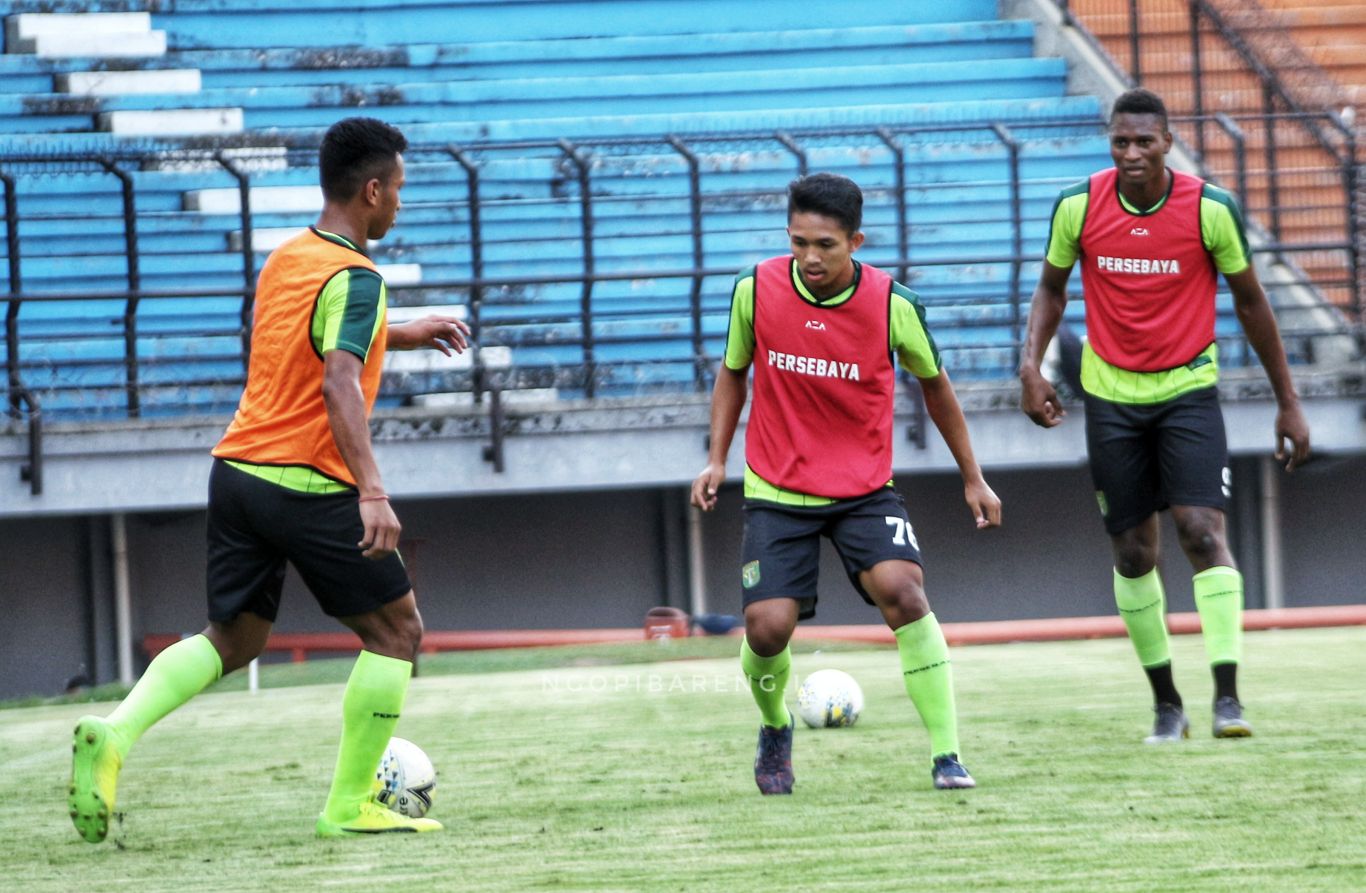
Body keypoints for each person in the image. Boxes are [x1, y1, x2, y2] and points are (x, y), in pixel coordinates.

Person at [68, 116, 471, 842]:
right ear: (372, 190)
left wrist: (405, 330)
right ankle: (348, 806)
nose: (400, 205)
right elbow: (338, 383)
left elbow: (307, 339)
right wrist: (372, 490)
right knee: (397, 631)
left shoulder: (288, 256)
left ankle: (116, 731)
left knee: (234, 637)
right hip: (305, 481)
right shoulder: (359, 276)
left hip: (237, 474)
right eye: (399, 190)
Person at [691, 172, 1002, 795]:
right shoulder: (755, 289)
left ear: (855, 240)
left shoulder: (893, 305)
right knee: (767, 629)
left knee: (904, 592)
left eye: (825, 245)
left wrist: (974, 478)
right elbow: (732, 374)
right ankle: (776, 727)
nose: (810, 257)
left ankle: (948, 755)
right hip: (777, 489)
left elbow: (937, 388)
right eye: (799, 241)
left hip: (863, 489)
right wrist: (716, 459)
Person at [1018, 89, 1311, 743]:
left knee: (1202, 532)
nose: (1131, 153)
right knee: (1132, 553)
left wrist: (1288, 401)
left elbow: (1254, 302)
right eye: (1120, 141)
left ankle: (1228, 699)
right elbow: (1050, 287)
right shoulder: (1076, 205)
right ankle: (1166, 705)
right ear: (1110, 143)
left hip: (1188, 391)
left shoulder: (1210, 209)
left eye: (1143, 142)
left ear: (1167, 143)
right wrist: (1031, 366)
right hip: (1111, 398)